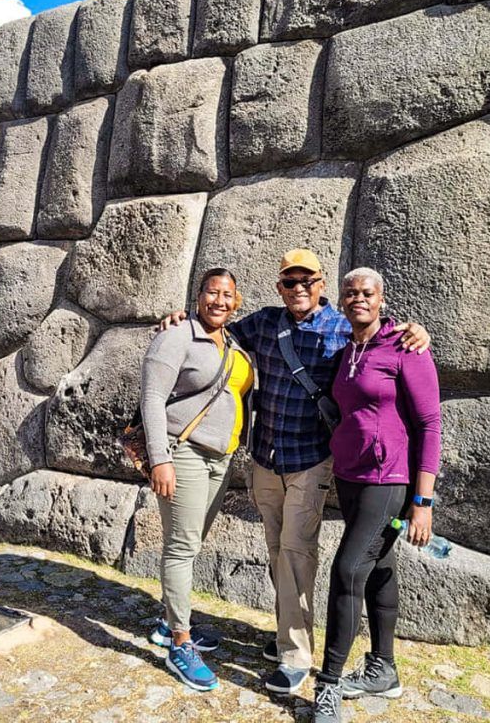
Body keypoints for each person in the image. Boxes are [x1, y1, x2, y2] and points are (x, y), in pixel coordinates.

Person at [160, 250, 430, 694]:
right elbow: (216, 326)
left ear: (322, 285)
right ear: (280, 286)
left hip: (310, 460)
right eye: (290, 282)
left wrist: (416, 331)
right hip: (265, 458)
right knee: (276, 551)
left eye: (308, 281)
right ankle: (288, 630)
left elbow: (376, 326)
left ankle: (295, 655)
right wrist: (181, 319)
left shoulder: (344, 328)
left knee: (296, 552)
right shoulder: (264, 323)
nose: (299, 289)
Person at [312, 267, 441, 723]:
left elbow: (429, 424)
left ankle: (327, 684)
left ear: (382, 299)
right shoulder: (348, 347)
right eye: (350, 293)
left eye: (367, 293)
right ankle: (383, 669)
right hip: (351, 476)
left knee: (347, 570)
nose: (358, 299)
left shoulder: (406, 347)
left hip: (389, 481)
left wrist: (423, 503)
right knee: (379, 567)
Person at [141, 268, 255, 691]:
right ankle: (180, 641)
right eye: (212, 292)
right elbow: (152, 397)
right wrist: (159, 460)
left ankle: (166, 621)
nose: (219, 301)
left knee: (191, 544)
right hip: (182, 452)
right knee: (181, 545)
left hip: (219, 457)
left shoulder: (234, 341)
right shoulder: (176, 336)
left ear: (236, 300)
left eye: (227, 295)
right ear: (198, 295)